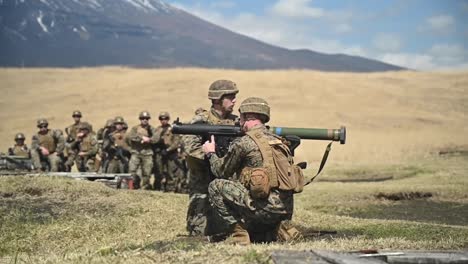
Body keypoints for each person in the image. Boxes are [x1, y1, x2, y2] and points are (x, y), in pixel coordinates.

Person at [202, 97, 302, 245]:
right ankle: (279, 228)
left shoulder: (244, 142)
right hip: (283, 211)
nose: (239, 121)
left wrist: (210, 153)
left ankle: (239, 236)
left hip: (262, 209)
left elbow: (220, 171)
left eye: (241, 117)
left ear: (246, 117)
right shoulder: (280, 141)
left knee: (215, 186)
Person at [183, 80, 239, 236]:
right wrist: (213, 156)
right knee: (200, 230)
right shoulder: (200, 121)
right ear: (218, 99)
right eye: (231, 96)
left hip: (228, 182)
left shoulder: (236, 121)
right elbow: (191, 148)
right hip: (203, 182)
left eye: (235, 96)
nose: (235, 100)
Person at [126, 111, 160, 190]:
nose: (145, 120)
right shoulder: (135, 128)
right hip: (136, 153)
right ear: (140, 119)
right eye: (143, 118)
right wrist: (141, 138)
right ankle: (132, 187)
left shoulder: (152, 129)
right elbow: (131, 137)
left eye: (146, 118)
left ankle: (145, 188)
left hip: (147, 153)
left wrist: (149, 140)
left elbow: (156, 138)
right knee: (132, 170)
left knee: (147, 173)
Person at [153, 111, 185, 192]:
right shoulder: (157, 129)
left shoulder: (172, 128)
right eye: (161, 119)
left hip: (171, 154)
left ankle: (171, 189)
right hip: (160, 153)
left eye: (166, 118)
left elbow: (177, 142)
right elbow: (153, 140)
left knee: (171, 172)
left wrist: (168, 150)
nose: (163, 120)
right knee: (160, 172)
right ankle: (161, 187)